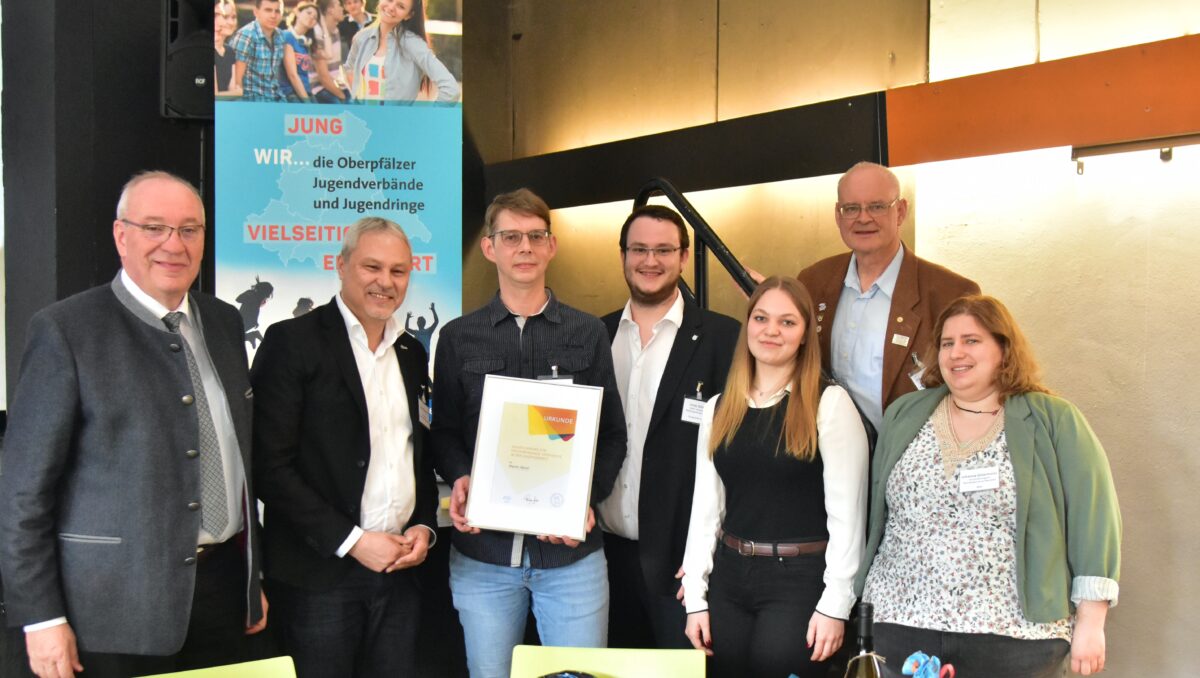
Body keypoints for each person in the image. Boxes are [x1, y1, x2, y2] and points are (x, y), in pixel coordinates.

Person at [0, 171, 267, 678]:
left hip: (221, 596)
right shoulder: (65, 331)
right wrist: (40, 617)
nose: (174, 244)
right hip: (111, 612)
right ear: (122, 236)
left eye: (190, 230)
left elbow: (237, 461)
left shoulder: (225, 324)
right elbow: (22, 494)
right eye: (155, 228)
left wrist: (252, 582)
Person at [856, 295, 1121, 678]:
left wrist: (1091, 624)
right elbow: (875, 516)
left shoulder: (1053, 419)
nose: (956, 353)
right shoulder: (905, 413)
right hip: (901, 624)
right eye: (947, 343)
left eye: (971, 340)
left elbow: (1094, 520)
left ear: (1003, 348)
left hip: (1014, 636)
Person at [432, 188, 627, 678]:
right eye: (511, 236)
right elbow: (445, 432)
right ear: (489, 247)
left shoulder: (587, 333)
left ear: (551, 246)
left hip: (571, 560)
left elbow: (612, 436)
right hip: (484, 559)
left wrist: (586, 497)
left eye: (535, 236)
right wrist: (458, 476)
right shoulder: (458, 337)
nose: (524, 248)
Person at [251, 217, 438, 677]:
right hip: (320, 578)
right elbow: (268, 465)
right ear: (341, 266)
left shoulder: (411, 352)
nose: (385, 282)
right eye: (372, 267)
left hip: (400, 573)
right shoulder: (292, 342)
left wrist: (424, 527)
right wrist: (352, 542)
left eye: (399, 271)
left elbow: (419, 452)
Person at [681, 276, 869, 678]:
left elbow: (848, 519)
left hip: (799, 583)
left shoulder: (829, 404)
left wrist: (835, 606)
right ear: (747, 324)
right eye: (761, 318)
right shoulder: (719, 406)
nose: (771, 331)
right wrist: (696, 596)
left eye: (787, 322)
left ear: (805, 335)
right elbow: (706, 508)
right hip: (730, 579)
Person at [598, 205, 740, 649]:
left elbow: (738, 454)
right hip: (600, 556)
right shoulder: (593, 336)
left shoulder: (724, 339)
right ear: (622, 256)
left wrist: (708, 554)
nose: (650, 261)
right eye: (639, 249)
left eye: (663, 250)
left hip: (681, 564)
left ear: (683, 257)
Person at [797, 161, 980, 434]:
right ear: (838, 215)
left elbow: (975, 390)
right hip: (825, 456)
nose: (863, 218)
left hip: (907, 458)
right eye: (851, 208)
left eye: (877, 206)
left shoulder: (950, 294)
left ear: (901, 211)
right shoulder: (813, 282)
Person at [343, 0, 459, 103]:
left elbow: (451, 89)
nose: (391, 7)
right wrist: (358, 101)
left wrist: (427, 118)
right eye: (390, 0)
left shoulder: (414, 44)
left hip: (395, 125)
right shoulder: (361, 38)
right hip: (363, 122)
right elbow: (349, 68)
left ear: (409, 15)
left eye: (401, 6)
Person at [230, 0, 287, 101]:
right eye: (268, 10)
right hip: (253, 99)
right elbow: (236, 80)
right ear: (256, 12)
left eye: (277, 11)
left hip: (276, 97)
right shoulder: (246, 35)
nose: (273, 15)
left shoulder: (280, 36)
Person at [313, 0, 351, 102]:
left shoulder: (335, 31)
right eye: (339, 5)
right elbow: (323, 77)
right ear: (330, 10)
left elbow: (337, 70)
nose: (342, 8)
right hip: (320, 89)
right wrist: (342, 97)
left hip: (337, 85)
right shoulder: (317, 33)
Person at [214, 0, 241, 97]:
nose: (230, 22)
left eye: (233, 17)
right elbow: (215, 95)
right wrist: (238, 92)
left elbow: (232, 88)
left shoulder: (230, 51)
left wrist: (236, 92)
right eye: (225, 17)